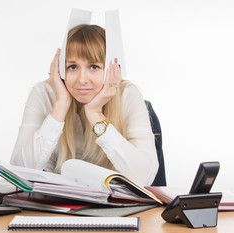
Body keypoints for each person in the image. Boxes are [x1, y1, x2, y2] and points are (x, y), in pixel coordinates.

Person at [10, 24, 158, 186]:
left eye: (94, 66)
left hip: (113, 207)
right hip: (57, 206)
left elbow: (144, 178)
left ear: (111, 69)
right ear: (59, 70)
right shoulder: (44, 94)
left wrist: (95, 114)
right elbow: (19, 172)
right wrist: (60, 105)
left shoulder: (127, 95)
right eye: (72, 67)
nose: (82, 79)